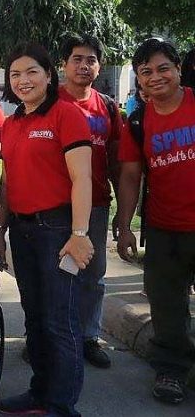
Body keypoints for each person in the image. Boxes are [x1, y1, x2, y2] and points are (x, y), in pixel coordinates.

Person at [0, 43, 93, 417]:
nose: (23, 80)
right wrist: (0, 231)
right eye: (15, 74)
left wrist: (79, 234)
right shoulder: (12, 122)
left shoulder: (66, 115)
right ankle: (40, 391)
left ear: (49, 75)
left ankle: (61, 405)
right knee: (34, 316)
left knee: (59, 320)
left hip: (57, 229)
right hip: (21, 229)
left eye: (31, 71)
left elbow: (81, 177)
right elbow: (10, 182)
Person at [117, 38, 195, 405]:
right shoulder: (137, 121)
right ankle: (172, 370)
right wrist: (123, 224)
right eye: (145, 72)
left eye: (163, 68)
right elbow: (131, 176)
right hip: (164, 229)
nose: (155, 77)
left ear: (178, 69)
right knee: (166, 305)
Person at [58, 34, 122, 369]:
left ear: (98, 66)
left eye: (91, 60)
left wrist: (122, 215)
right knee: (55, 275)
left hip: (96, 203)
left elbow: (115, 159)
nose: (84, 66)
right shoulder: (48, 101)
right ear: (64, 64)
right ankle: (51, 338)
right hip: (55, 205)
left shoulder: (108, 107)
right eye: (77, 59)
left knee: (93, 275)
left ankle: (87, 337)